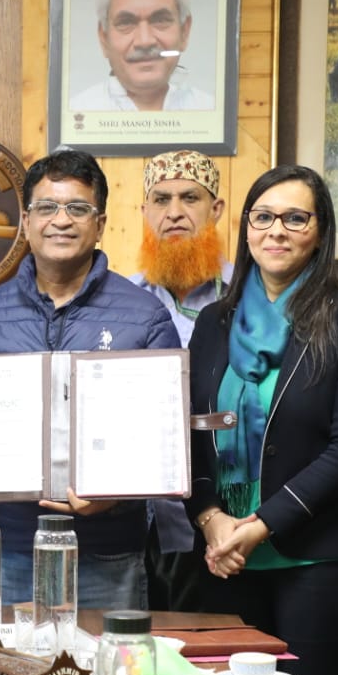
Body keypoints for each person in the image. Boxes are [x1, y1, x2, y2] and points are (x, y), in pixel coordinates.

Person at [186, 164, 338, 675]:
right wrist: (211, 519)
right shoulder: (213, 323)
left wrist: (262, 524)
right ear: (246, 228)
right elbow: (193, 435)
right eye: (263, 217)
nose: (276, 230)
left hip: (319, 564)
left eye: (295, 218)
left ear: (320, 232)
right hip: (224, 560)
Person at [0, 149, 178, 608]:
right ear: (27, 220)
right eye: (47, 207)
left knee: (111, 657)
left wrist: (111, 498)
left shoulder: (145, 316)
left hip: (109, 551)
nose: (61, 220)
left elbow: (167, 438)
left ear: (100, 222)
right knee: (3, 656)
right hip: (9, 550)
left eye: (77, 208)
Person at [130, 149, 234, 612]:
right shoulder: (121, 300)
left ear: (216, 209)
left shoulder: (249, 295)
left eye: (190, 198)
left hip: (229, 514)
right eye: (161, 199)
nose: (174, 212)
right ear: (145, 211)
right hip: (140, 517)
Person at [69, 0, 215, 112]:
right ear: (104, 38)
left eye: (160, 20)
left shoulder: (212, 112)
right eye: (126, 23)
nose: (144, 41)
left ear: (184, 32)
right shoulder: (76, 113)